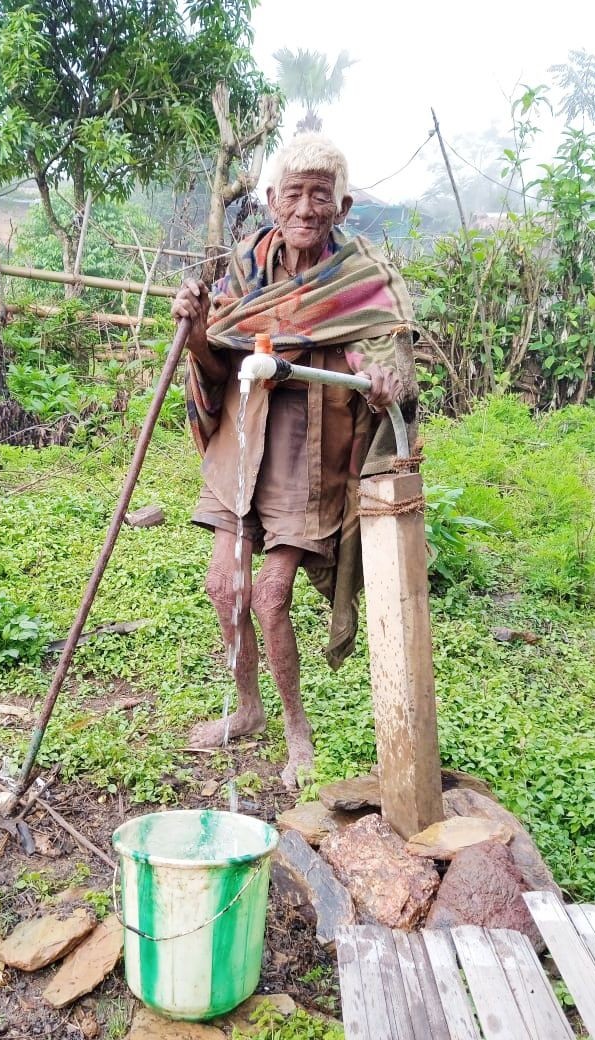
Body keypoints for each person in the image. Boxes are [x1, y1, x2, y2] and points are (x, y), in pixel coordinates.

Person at [172, 135, 416, 789]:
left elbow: (385, 352)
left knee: (271, 595)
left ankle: (296, 731)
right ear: (272, 201)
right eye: (293, 194)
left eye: (320, 195)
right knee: (225, 589)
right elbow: (215, 353)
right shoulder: (248, 265)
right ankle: (246, 708)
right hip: (242, 439)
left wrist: (387, 377)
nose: (306, 208)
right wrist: (195, 327)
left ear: (343, 205)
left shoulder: (361, 276)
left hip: (309, 447)